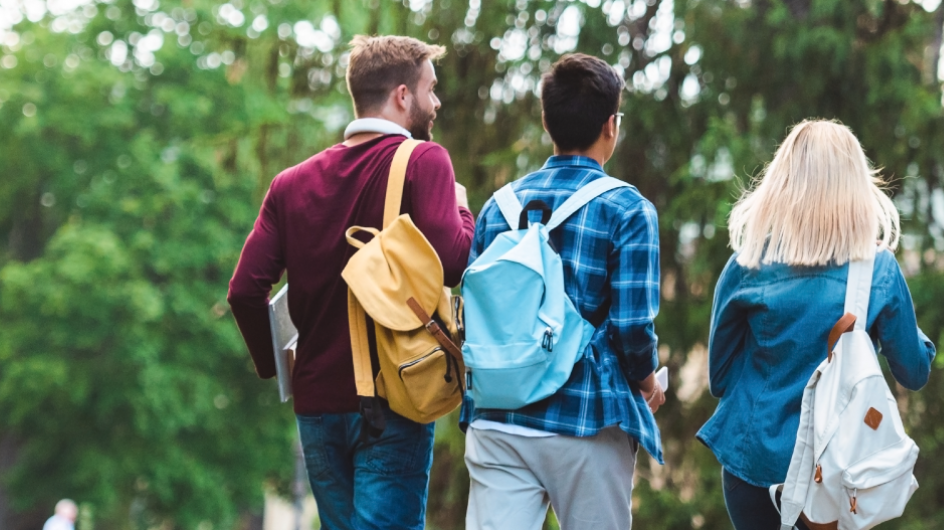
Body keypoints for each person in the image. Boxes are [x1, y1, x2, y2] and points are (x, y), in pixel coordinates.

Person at [226, 35, 473, 530]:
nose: (437, 102)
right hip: (393, 402)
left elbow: (244, 291)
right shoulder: (425, 162)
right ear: (403, 95)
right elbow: (454, 262)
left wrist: (277, 368)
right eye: (431, 89)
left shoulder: (290, 183)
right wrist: (462, 208)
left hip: (317, 408)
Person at [696, 120, 937, 530]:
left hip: (752, 469)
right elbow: (914, 372)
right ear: (857, 187)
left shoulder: (747, 264)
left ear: (782, 183)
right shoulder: (877, 270)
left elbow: (719, 379)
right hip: (838, 477)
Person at [460, 53, 667, 530]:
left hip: (497, 414)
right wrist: (648, 385)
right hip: (585, 418)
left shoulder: (498, 207)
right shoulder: (628, 209)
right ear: (611, 126)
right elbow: (633, 327)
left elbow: (473, 311)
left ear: (546, 120)